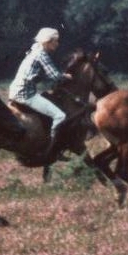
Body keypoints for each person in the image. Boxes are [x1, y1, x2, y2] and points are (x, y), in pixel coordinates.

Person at [9, 27, 79, 161]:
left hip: (15, 90)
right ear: (48, 41)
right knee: (60, 115)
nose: (57, 44)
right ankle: (53, 149)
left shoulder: (34, 49)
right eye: (55, 41)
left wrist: (60, 75)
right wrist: (67, 77)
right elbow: (54, 76)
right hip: (26, 94)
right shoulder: (42, 54)